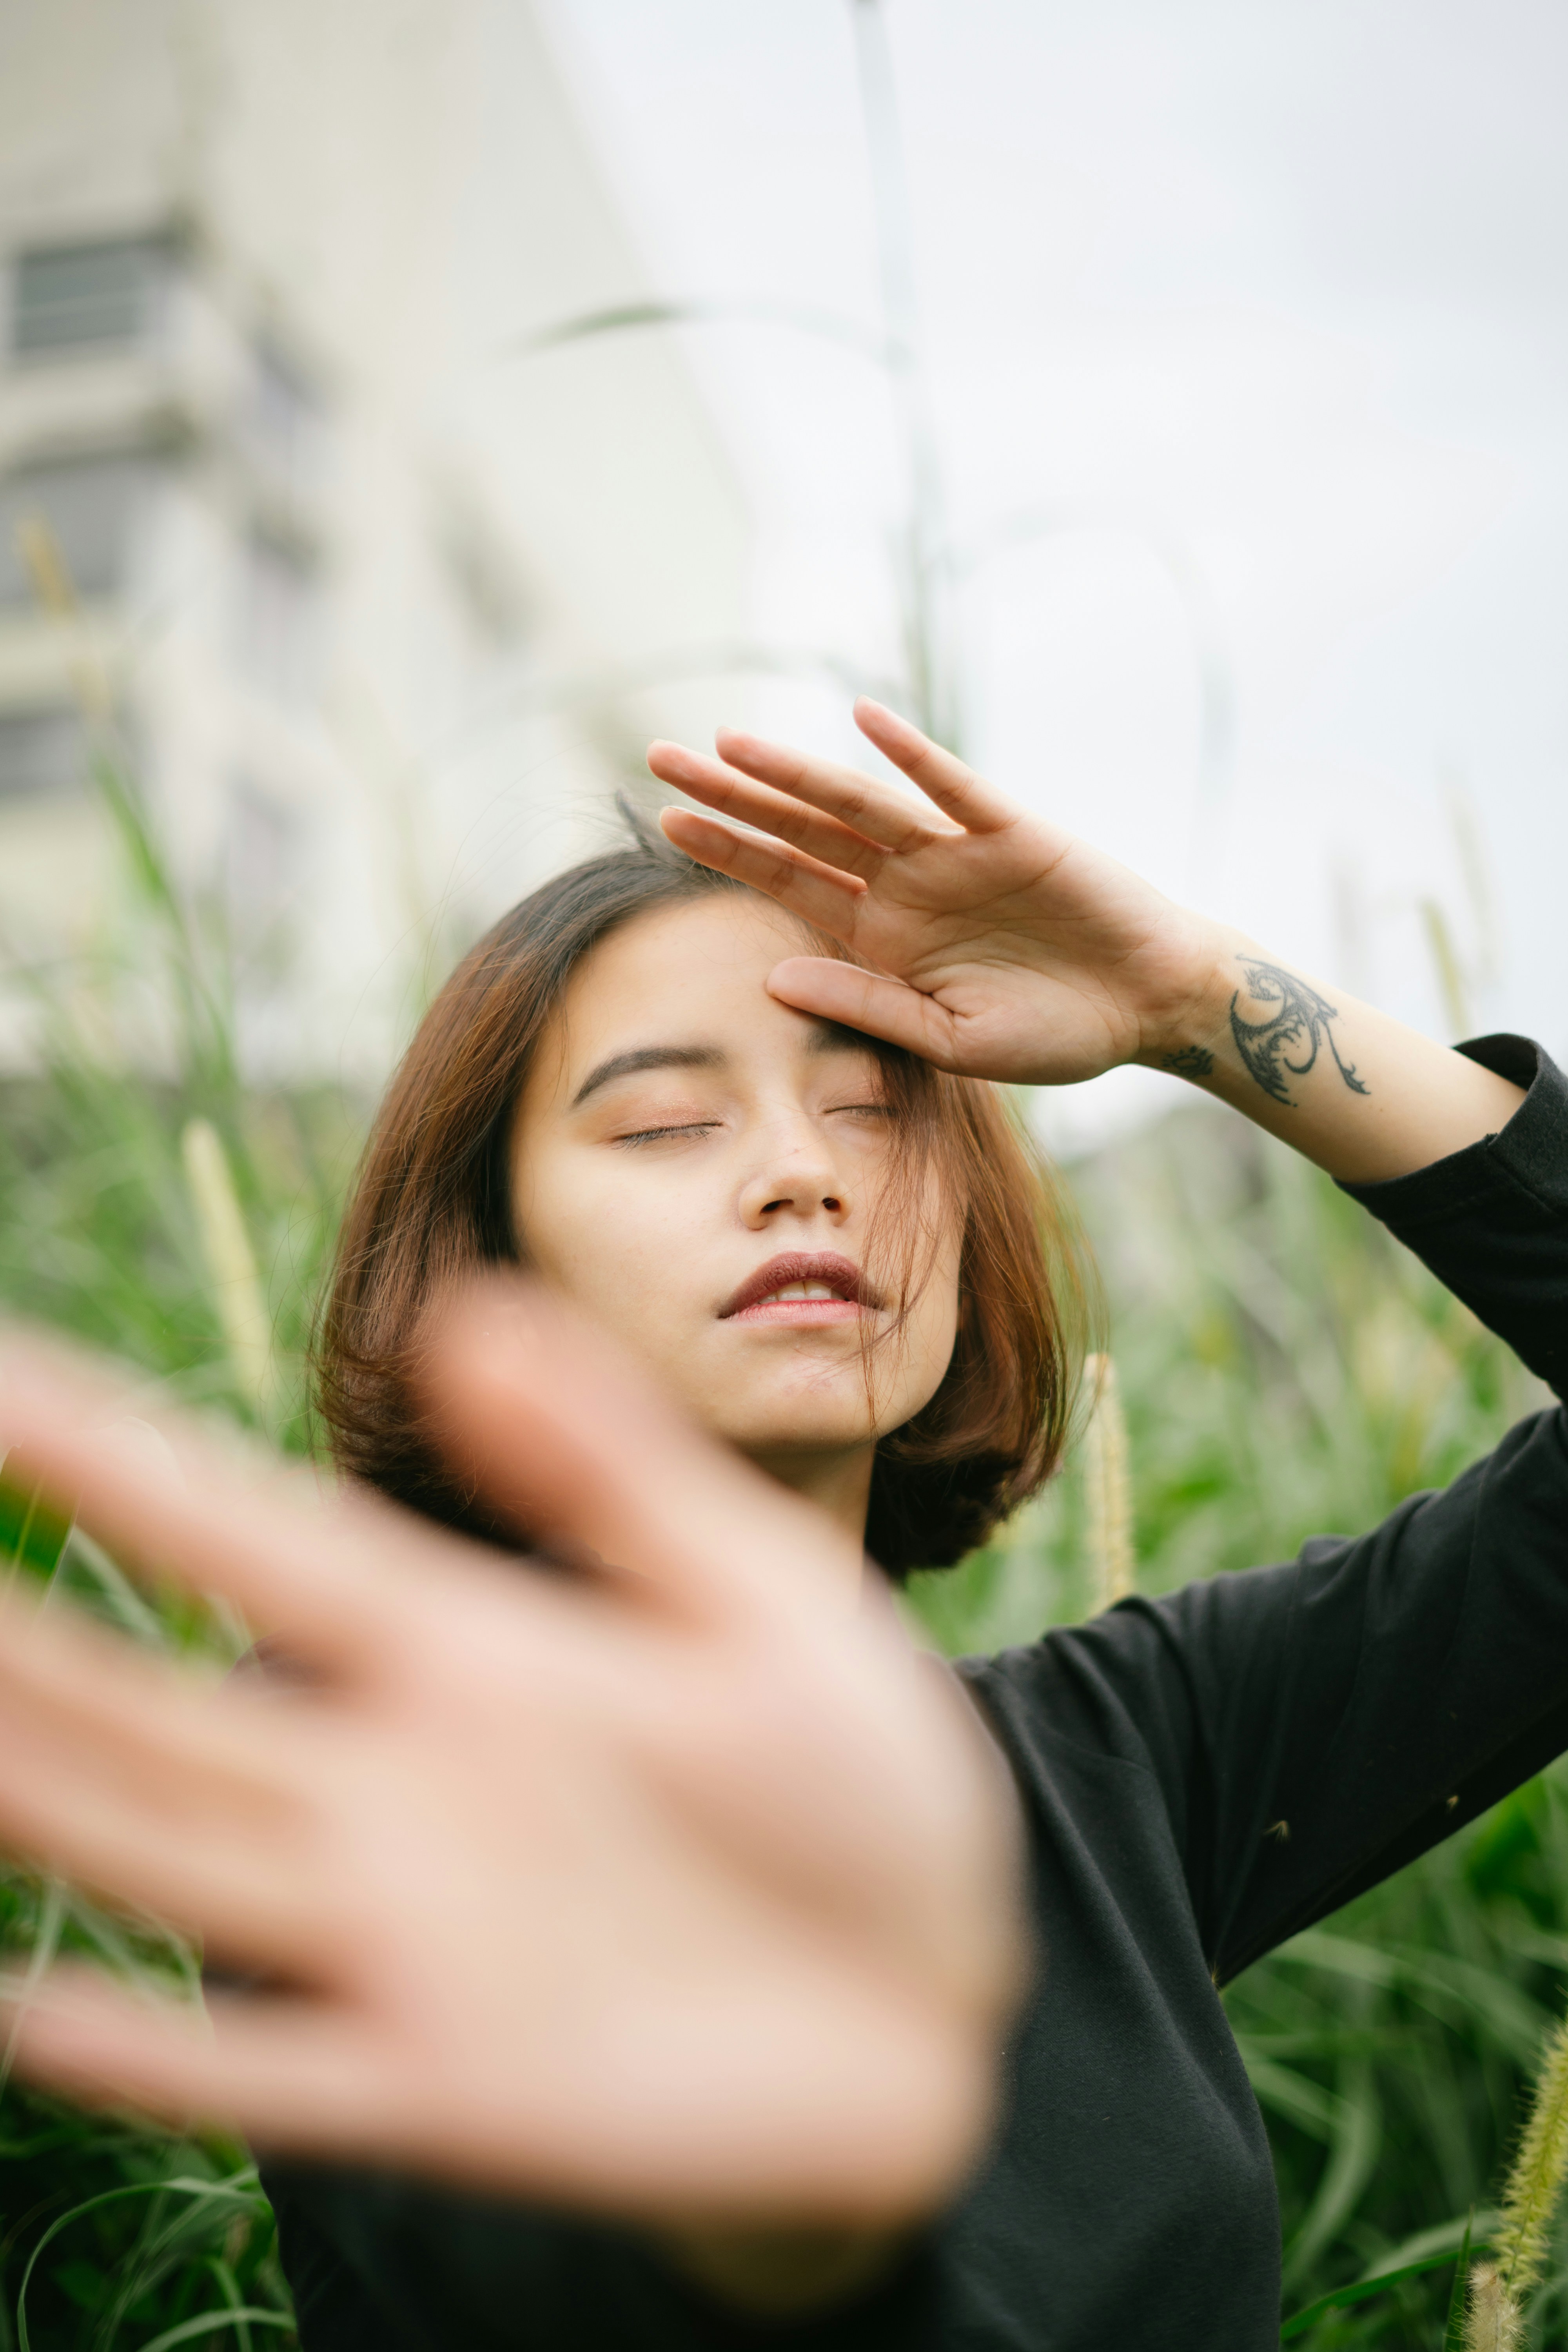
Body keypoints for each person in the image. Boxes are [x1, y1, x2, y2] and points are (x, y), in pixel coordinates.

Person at [0, 697, 1561, 2351]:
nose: (800, 1172)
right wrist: (801, 2239)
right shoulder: (382, 1761)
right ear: (491, 1263)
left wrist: (1191, 1003)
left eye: (879, 1107)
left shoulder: (1126, 1761)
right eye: (669, 1121)